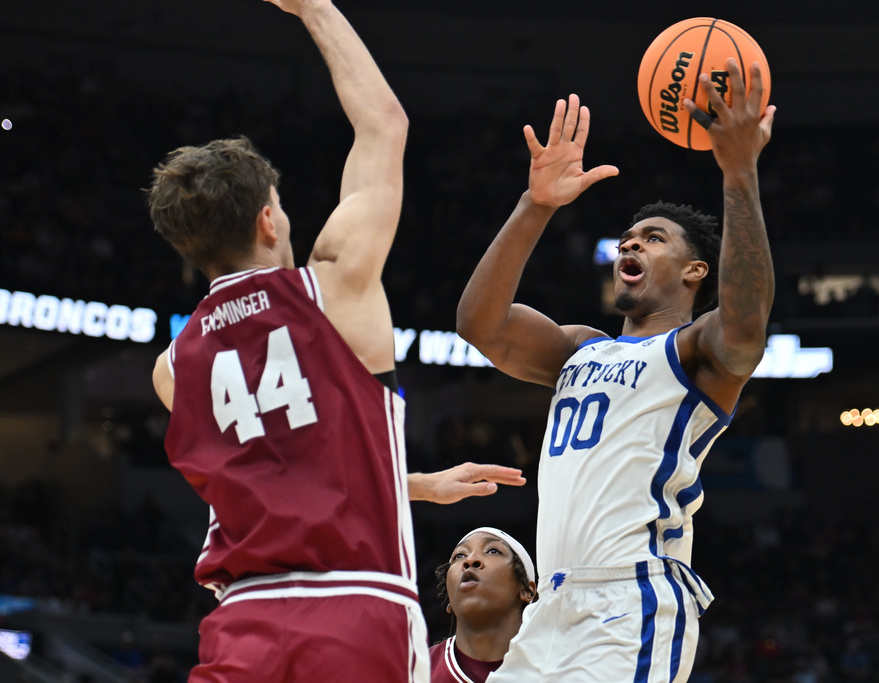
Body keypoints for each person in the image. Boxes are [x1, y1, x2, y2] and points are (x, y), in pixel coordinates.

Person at [146, 1, 523, 681]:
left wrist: (418, 486)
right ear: (269, 219)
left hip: (240, 622)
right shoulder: (335, 286)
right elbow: (385, 125)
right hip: (358, 606)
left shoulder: (172, 368)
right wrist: (315, 7)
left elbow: (282, 470)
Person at [456, 59, 776, 682]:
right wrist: (534, 205)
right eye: (627, 238)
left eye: (653, 238)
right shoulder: (582, 349)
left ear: (694, 272)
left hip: (630, 600)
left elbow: (746, 326)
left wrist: (738, 172)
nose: (631, 245)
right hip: (549, 608)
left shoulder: (696, 352)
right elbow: (480, 326)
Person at [429, 527, 537, 683]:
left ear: (527, 590)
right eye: (460, 555)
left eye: (493, 551)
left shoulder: (558, 667)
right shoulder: (413, 671)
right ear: (449, 601)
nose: (470, 560)